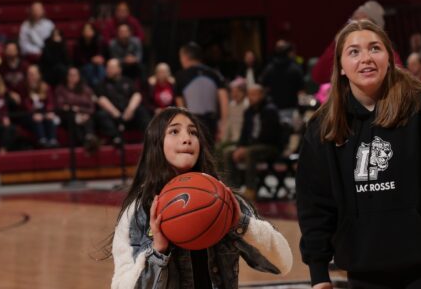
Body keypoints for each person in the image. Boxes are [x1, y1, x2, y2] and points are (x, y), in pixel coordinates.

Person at [296, 20, 421, 289]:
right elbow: (314, 203)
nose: (366, 58)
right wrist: (319, 274)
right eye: (354, 52)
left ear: (390, 59)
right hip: (364, 269)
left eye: (375, 48)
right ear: (341, 67)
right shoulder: (324, 126)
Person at [110, 106, 293, 289]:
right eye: (174, 131)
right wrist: (157, 252)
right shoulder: (138, 211)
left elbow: (283, 264)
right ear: (156, 143)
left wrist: (241, 224)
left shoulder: (225, 200)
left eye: (193, 132)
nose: (187, 139)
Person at [312, 0, 402, 85]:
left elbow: (399, 80)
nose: (357, 25)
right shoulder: (344, 52)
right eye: (353, 21)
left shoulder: (388, 54)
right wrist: (336, 44)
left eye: (364, 22)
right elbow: (319, 76)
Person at [223, 84, 282, 201]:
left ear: (262, 95)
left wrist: (245, 149)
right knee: (228, 152)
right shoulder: (248, 111)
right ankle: (233, 188)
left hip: (270, 146)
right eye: (249, 95)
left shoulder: (270, 110)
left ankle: (251, 189)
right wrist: (239, 147)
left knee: (250, 152)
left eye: (254, 95)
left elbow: (269, 136)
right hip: (252, 147)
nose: (251, 97)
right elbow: (244, 133)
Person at [175, 42, 228, 144]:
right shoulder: (214, 74)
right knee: (212, 154)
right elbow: (224, 99)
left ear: (184, 57)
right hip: (213, 122)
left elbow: (180, 105)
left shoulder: (180, 76)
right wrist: (223, 124)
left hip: (193, 123)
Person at [95, 59, 150, 145]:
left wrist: (130, 109)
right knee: (101, 114)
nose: (108, 69)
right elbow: (101, 99)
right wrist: (116, 114)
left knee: (141, 110)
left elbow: (137, 95)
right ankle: (116, 138)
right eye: (107, 67)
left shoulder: (127, 81)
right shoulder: (102, 83)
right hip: (113, 115)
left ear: (119, 69)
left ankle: (149, 137)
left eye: (111, 67)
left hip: (129, 114)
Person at [55, 67, 99, 153]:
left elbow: (92, 108)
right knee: (74, 119)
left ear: (79, 76)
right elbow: (60, 107)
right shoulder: (61, 89)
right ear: (66, 77)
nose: (73, 77)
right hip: (68, 116)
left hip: (85, 115)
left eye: (75, 75)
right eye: (70, 75)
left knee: (89, 119)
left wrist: (82, 111)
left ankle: (89, 139)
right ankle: (85, 143)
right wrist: (75, 112)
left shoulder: (86, 90)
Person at [22, 65, 58, 148]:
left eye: (34, 74)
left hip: (44, 111)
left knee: (50, 117)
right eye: (30, 74)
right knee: (37, 118)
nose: (32, 76)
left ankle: (53, 140)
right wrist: (33, 112)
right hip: (29, 114)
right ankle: (42, 141)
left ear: (39, 75)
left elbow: (50, 101)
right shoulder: (24, 87)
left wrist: (49, 112)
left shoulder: (45, 87)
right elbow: (24, 104)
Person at [0, 41, 29, 112]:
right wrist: (10, 93)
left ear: (17, 51)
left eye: (13, 50)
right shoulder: (0, 68)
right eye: (9, 50)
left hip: (24, 96)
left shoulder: (25, 66)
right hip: (7, 98)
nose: (11, 52)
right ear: (5, 51)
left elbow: (30, 82)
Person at [73, 23, 106, 88]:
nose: (88, 32)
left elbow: (101, 55)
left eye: (90, 30)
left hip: (96, 65)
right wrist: (91, 60)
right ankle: (96, 86)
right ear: (82, 32)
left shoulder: (98, 41)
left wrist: (100, 59)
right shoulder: (78, 43)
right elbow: (79, 59)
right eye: (86, 30)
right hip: (83, 65)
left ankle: (102, 85)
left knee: (100, 67)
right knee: (89, 68)